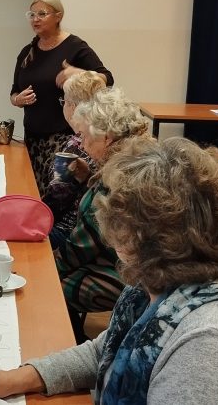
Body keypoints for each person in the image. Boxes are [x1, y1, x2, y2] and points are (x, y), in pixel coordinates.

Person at [0, 137, 218, 403]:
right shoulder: (159, 285)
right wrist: (17, 378)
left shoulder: (212, 346)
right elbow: (105, 352)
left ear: (142, 235)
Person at [56, 88, 149, 342]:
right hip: (130, 261)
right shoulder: (137, 154)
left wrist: (47, 271)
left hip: (130, 273)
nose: (82, 144)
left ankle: (72, 344)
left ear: (106, 138)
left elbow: (83, 245)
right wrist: (87, 177)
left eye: (85, 136)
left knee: (50, 289)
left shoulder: (116, 176)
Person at [10, 0, 114, 196]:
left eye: (42, 14)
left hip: (63, 138)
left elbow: (107, 78)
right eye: (31, 14)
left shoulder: (75, 47)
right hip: (32, 138)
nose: (35, 19)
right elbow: (14, 91)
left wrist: (78, 72)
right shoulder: (27, 52)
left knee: (56, 196)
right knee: (34, 192)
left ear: (58, 16)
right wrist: (17, 99)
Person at [42, 71, 105, 250]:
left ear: (73, 106)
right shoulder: (95, 138)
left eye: (64, 101)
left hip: (69, 232)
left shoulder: (77, 145)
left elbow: (58, 199)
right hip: (85, 232)